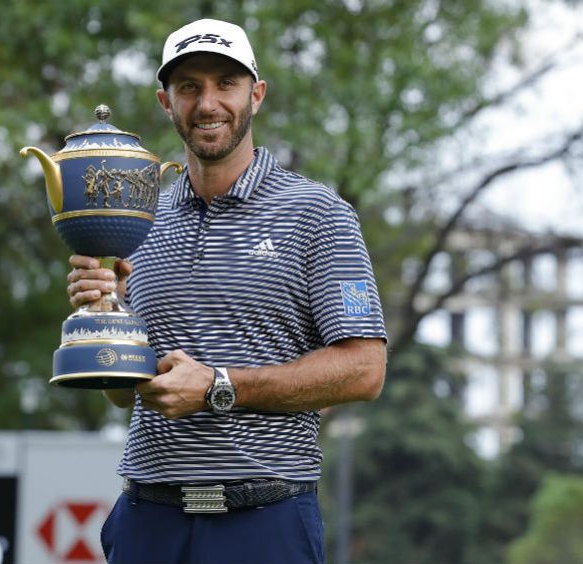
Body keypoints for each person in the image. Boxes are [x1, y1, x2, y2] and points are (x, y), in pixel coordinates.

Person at [66, 18, 387, 564]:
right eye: (189, 86)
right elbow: (122, 395)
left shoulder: (318, 215)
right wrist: (107, 318)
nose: (208, 102)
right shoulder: (139, 218)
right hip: (149, 521)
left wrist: (220, 385)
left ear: (255, 95)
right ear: (166, 102)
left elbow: (365, 369)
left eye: (225, 83)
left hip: (264, 524)